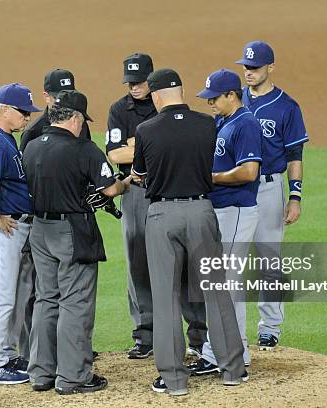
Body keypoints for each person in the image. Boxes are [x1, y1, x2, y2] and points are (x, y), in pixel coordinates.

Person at [131, 68, 247, 396]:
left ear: (155, 95)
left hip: (162, 216)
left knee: (166, 297)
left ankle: (174, 380)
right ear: (181, 91)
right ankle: (233, 371)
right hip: (201, 211)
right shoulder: (207, 124)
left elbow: (139, 175)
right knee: (216, 291)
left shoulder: (146, 129)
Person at [23, 90, 132, 395]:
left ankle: (42, 373)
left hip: (39, 230)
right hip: (70, 231)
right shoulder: (84, 149)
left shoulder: (31, 147)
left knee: (46, 299)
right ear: (74, 118)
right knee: (75, 302)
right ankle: (73, 377)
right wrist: (126, 182)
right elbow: (109, 190)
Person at [107, 52, 208, 359]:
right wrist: (148, 147)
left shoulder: (165, 102)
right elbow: (115, 156)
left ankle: (199, 335)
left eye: (139, 82)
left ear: (151, 81)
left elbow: (155, 147)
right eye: (129, 82)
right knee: (138, 260)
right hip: (137, 192)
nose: (134, 87)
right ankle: (145, 334)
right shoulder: (118, 109)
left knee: (187, 263)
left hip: (173, 187)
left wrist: (138, 146)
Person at [187, 69, 263, 375]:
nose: (210, 104)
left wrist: (212, 178)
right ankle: (235, 350)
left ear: (232, 94)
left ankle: (220, 353)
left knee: (226, 284)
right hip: (221, 211)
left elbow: (249, 172)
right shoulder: (223, 121)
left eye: (214, 98)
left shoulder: (246, 123)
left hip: (236, 210)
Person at [235, 40, 309, 350]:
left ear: (270, 68)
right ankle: (232, 330)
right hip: (236, 190)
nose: (249, 72)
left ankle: (270, 327)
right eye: (246, 67)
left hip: (267, 188)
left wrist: (295, 197)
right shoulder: (235, 99)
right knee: (232, 260)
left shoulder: (286, 107)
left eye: (254, 67)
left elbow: (294, 156)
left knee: (268, 259)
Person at [0, 82, 41, 384]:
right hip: (5, 227)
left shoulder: (1, 136)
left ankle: (3, 353)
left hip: (11, 226)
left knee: (12, 294)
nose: (28, 118)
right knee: (1, 297)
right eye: (23, 112)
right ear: (4, 110)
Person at [19, 68, 91, 154]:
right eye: (59, 97)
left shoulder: (80, 123)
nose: (65, 102)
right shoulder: (33, 132)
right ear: (46, 97)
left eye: (68, 96)